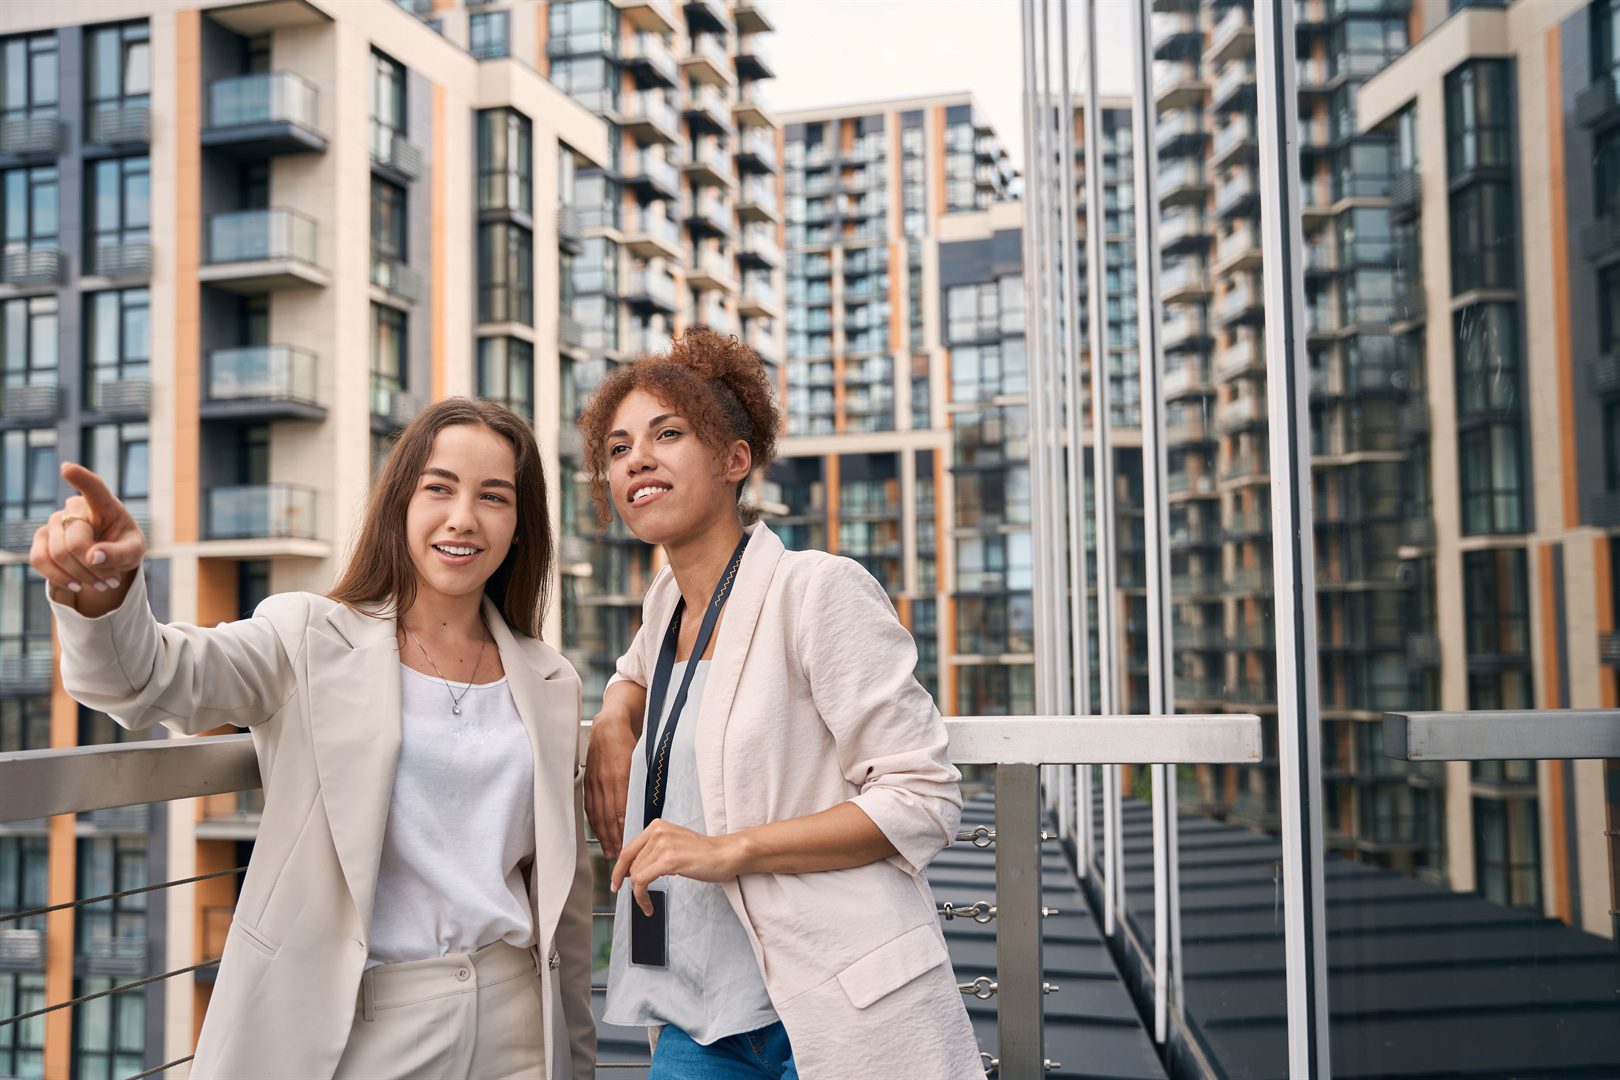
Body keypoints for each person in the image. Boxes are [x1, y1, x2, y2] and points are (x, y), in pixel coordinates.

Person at [30, 398, 594, 1080]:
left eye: (493, 497)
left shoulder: (550, 679)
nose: (462, 518)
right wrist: (105, 589)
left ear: (517, 526)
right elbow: (150, 679)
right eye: (438, 488)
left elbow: (564, 907)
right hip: (365, 1019)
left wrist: (576, 1055)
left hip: (516, 1024)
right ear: (400, 505)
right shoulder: (307, 637)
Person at [580, 329, 985, 1079]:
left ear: (736, 460)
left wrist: (728, 850)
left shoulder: (817, 590)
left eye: (668, 434)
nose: (636, 459)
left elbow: (923, 798)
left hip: (826, 1004)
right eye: (618, 447)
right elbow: (633, 673)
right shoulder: (667, 603)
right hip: (695, 1016)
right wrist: (612, 717)